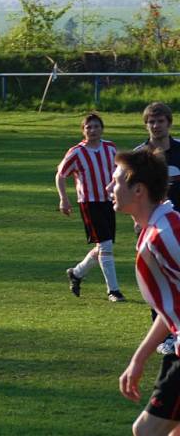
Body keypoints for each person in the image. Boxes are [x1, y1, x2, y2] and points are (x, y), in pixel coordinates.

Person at [113, 148, 180, 435]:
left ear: (138, 190)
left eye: (116, 181)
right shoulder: (153, 230)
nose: (109, 188)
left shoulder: (167, 234)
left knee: (146, 431)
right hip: (176, 351)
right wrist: (139, 358)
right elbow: (171, 309)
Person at [56, 112, 124, 302]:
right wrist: (64, 199)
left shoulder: (110, 147)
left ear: (102, 128)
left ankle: (77, 273)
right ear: (83, 131)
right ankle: (113, 291)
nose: (93, 130)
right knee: (105, 245)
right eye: (89, 127)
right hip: (89, 203)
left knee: (103, 245)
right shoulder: (77, 152)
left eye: (96, 126)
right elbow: (60, 175)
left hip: (109, 202)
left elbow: (118, 171)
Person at [136, 102, 180, 355]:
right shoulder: (141, 155)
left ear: (169, 123)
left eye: (160, 121)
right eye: (151, 122)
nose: (155, 126)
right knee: (158, 284)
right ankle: (165, 337)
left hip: (178, 227)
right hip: (151, 229)